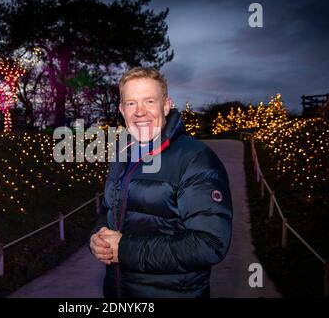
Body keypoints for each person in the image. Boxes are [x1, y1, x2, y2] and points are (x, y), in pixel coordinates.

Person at [89, 67, 233, 298]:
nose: (140, 112)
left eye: (149, 101)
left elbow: (210, 244)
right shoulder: (123, 152)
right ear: (121, 110)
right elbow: (109, 209)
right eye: (131, 103)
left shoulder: (195, 158)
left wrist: (124, 250)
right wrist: (97, 236)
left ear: (166, 105)